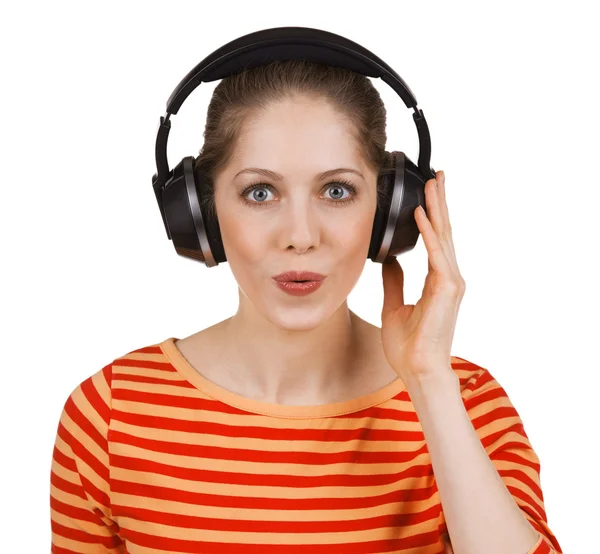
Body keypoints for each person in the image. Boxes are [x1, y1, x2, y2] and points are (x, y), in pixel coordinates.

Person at [50, 59, 563, 553]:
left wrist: (429, 383)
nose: (300, 236)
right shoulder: (112, 412)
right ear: (201, 214)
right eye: (259, 192)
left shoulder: (465, 402)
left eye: (337, 191)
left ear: (390, 213)